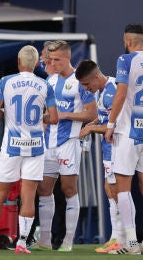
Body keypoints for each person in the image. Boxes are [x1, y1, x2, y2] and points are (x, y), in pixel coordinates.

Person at [0, 45, 58, 254]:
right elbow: (54, 118)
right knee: (28, 196)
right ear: (37, 64)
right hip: (36, 146)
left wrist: (8, 114)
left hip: (12, 145)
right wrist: (40, 117)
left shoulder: (5, 82)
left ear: (19, 62)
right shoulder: (45, 85)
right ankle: (21, 243)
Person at [35, 40, 97, 252]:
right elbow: (50, 114)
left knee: (68, 189)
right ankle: (44, 239)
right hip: (48, 142)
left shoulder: (80, 81)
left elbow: (92, 114)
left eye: (57, 60)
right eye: (51, 60)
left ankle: (68, 241)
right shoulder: (50, 80)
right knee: (43, 189)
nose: (53, 63)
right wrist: (43, 118)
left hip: (69, 143)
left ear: (68, 58)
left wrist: (66, 115)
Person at [76, 60, 124, 253]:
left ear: (97, 77)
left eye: (87, 85)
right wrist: (93, 123)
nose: (86, 89)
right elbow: (105, 118)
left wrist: (91, 128)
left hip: (116, 148)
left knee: (117, 192)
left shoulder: (111, 93)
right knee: (109, 190)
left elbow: (116, 127)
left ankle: (122, 238)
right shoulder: (103, 90)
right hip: (108, 149)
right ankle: (115, 237)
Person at [104, 23, 143, 255]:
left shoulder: (125, 60)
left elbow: (120, 93)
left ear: (127, 41)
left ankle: (130, 243)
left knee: (122, 187)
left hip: (128, 131)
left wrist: (110, 124)